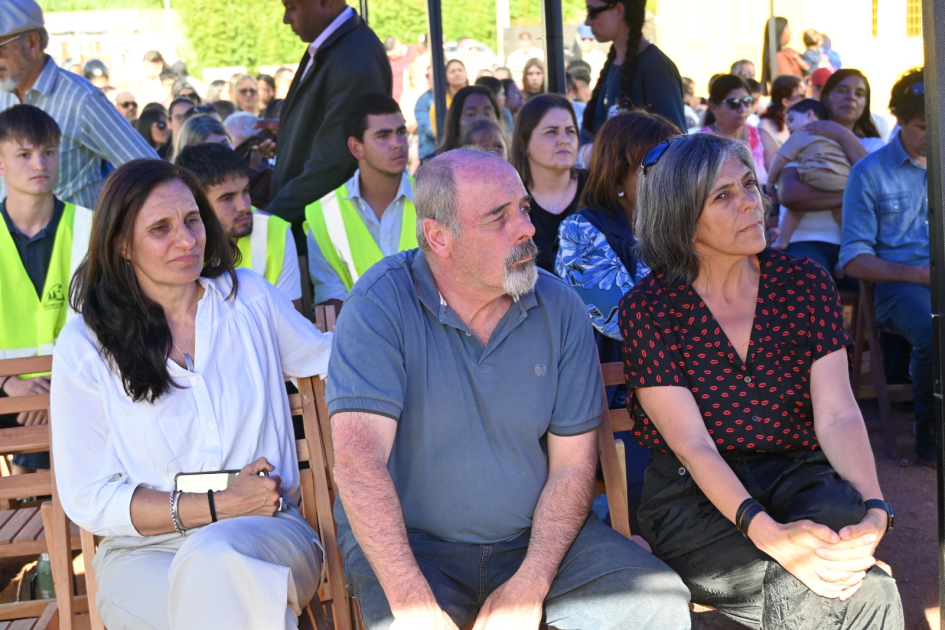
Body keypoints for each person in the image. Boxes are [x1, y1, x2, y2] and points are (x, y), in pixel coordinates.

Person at [327, 147, 692, 630]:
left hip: (540, 540)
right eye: (498, 217)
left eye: (522, 208)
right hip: (412, 549)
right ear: (439, 237)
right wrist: (412, 602)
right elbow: (357, 462)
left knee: (657, 604)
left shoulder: (558, 305)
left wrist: (530, 583)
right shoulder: (380, 303)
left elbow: (573, 468)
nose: (526, 227)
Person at [624, 131, 903, 629]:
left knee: (848, 569)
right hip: (694, 499)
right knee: (860, 590)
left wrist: (875, 510)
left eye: (749, 185)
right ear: (682, 218)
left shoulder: (803, 284)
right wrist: (770, 533)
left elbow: (838, 413)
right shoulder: (651, 309)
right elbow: (693, 446)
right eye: (723, 196)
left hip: (800, 475)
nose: (752, 204)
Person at [50, 158, 331, 629]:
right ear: (121, 244)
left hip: (268, 532)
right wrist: (218, 505)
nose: (187, 239)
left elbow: (330, 361)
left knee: (213, 563)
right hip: (143, 553)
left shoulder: (250, 302)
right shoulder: (86, 344)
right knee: (223, 601)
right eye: (161, 228)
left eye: (192, 220)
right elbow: (89, 495)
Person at [554, 111, 679, 528]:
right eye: (661, 163)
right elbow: (624, 320)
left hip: (685, 388)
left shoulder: (679, 225)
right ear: (623, 168)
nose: (675, 175)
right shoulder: (580, 230)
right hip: (620, 400)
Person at [840, 68, 931, 466]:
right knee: (935, 328)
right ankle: (930, 430)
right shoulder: (869, 172)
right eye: (924, 127)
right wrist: (919, 275)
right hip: (898, 288)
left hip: (925, 281)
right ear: (897, 118)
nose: (933, 135)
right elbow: (853, 259)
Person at [0, 105, 94, 473]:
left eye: (49, 152)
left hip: (79, 388)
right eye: (24, 154)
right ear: (1, 163)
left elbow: (113, 322)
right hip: (7, 393)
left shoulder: (91, 227)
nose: (40, 163)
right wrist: (13, 386)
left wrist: (57, 386)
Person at [0, 0, 158, 207]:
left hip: (75, 237)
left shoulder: (82, 99)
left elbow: (153, 174)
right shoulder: (4, 93)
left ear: (31, 43)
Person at [261, 0, 391, 247]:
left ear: (325, 2)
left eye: (291, 7)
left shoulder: (354, 57)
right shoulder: (335, 46)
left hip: (331, 235)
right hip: (320, 225)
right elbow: (332, 131)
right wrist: (290, 132)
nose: (286, 19)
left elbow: (332, 162)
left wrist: (269, 219)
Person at [304, 93, 415, 313]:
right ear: (356, 147)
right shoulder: (323, 214)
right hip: (361, 342)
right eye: (383, 135)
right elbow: (330, 301)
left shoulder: (436, 196)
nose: (397, 144)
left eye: (401, 132)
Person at [778, 69, 883, 277]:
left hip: (861, 243)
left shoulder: (875, 145)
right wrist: (853, 196)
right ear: (825, 97)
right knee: (806, 280)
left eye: (859, 93)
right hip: (804, 240)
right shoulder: (803, 138)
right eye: (842, 90)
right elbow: (791, 196)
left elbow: (878, 190)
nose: (851, 97)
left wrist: (842, 134)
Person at [175, 143, 301, 310]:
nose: (243, 206)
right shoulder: (179, 244)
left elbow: (292, 321)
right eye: (227, 198)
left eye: (245, 191)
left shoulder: (275, 230)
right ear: (195, 203)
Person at [582, 0, 687, 137]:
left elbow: (677, 143)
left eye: (592, 11)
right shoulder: (613, 64)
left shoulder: (655, 67)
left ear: (619, 10)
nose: (587, 22)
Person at [510, 94, 584, 272]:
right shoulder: (509, 200)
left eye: (570, 131)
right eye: (551, 131)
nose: (564, 139)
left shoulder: (598, 189)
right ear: (524, 143)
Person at [769, 99, 850, 250]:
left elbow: (780, 159)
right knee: (840, 217)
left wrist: (769, 182)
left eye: (792, 120)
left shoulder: (802, 134)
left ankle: (783, 241)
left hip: (815, 176)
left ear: (809, 114)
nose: (789, 127)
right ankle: (846, 250)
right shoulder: (835, 136)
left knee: (795, 209)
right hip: (841, 180)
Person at [700, 74, 777, 187]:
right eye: (734, 103)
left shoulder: (762, 137)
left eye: (747, 101)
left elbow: (779, 180)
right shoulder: (701, 142)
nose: (743, 109)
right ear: (714, 107)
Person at [435, 85, 502, 154]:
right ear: (456, 120)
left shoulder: (509, 160)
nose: (481, 119)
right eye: (471, 114)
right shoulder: (437, 162)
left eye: (488, 113)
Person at [761, 17, 810, 93]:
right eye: (787, 29)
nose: (790, 32)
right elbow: (790, 83)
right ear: (779, 32)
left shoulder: (788, 51)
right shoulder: (778, 57)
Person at [758, 74, 805, 146]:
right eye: (800, 96)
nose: (805, 99)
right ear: (785, 102)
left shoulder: (803, 121)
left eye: (805, 94)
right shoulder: (765, 126)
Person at [429, 59, 469, 139]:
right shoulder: (439, 107)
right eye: (452, 71)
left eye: (460, 70)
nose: (457, 74)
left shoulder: (476, 99)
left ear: (466, 74)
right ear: (446, 78)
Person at [414, 67, 435, 159]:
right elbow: (428, 128)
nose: (430, 78)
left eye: (433, 75)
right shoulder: (422, 101)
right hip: (431, 153)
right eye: (427, 75)